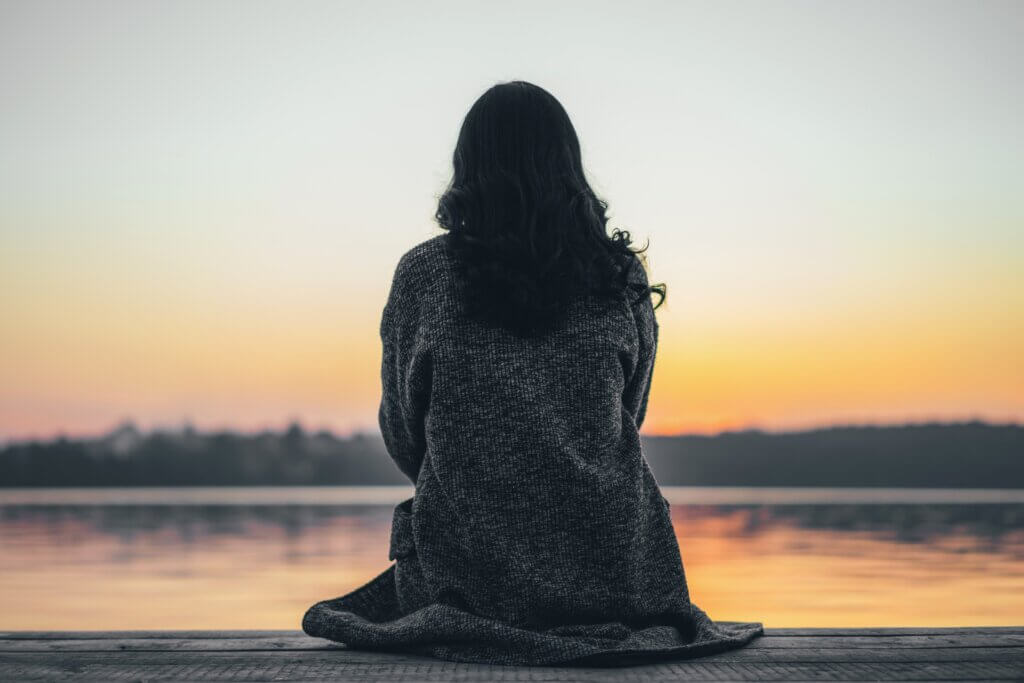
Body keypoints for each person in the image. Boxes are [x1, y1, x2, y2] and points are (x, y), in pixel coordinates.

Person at [302, 80, 764, 666]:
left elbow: (403, 433)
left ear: (467, 167)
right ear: (569, 168)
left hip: (470, 578)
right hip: (620, 575)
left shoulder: (425, 275)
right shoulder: (619, 276)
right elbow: (628, 417)